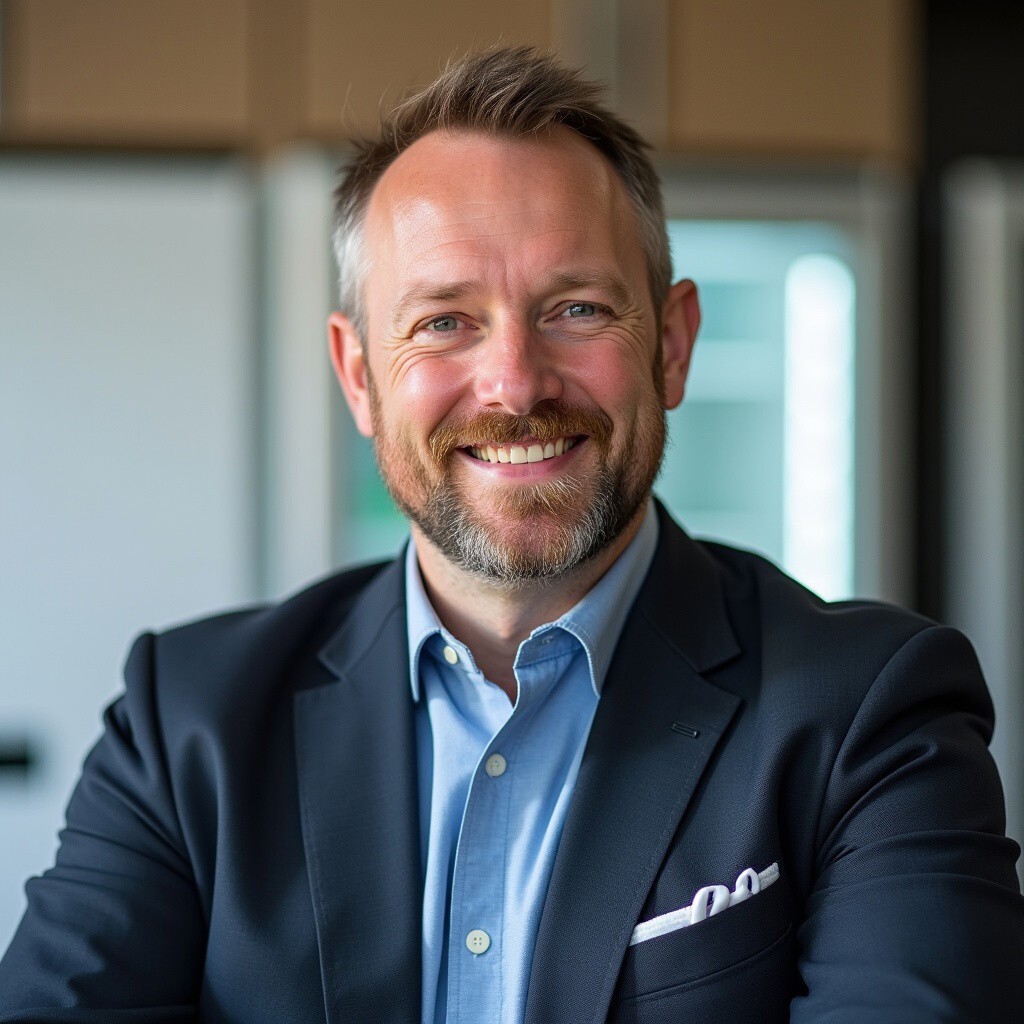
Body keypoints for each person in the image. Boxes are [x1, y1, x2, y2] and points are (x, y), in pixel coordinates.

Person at [1, 45, 1022, 1024]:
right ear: (359, 376)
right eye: (444, 320)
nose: (516, 384)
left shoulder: (869, 715)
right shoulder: (185, 725)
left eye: (575, 308)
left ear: (671, 346)